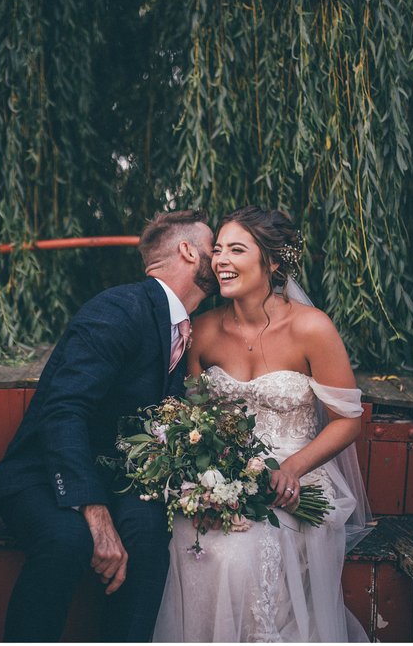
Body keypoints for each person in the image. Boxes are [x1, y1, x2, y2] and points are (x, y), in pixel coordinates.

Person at [0, 210, 218, 642]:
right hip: (42, 473)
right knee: (68, 540)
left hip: (119, 475)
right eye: (214, 246)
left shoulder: (182, 327)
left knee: (150, 538)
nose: (220, 257)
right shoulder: (119, 308)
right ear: (188, 250)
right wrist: (94, 511)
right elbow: (64, 409)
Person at [152, 205, 374, 642]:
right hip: (221, 474)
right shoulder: (203, 331)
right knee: (187, 540)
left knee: (239, 556)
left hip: (299, 478)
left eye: (236, 249)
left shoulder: (312, 328)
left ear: (271, 262)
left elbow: (348, 421)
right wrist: (209, 478)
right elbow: (196, 419)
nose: (221, 261)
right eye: (217, 250)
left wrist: (292, 468)